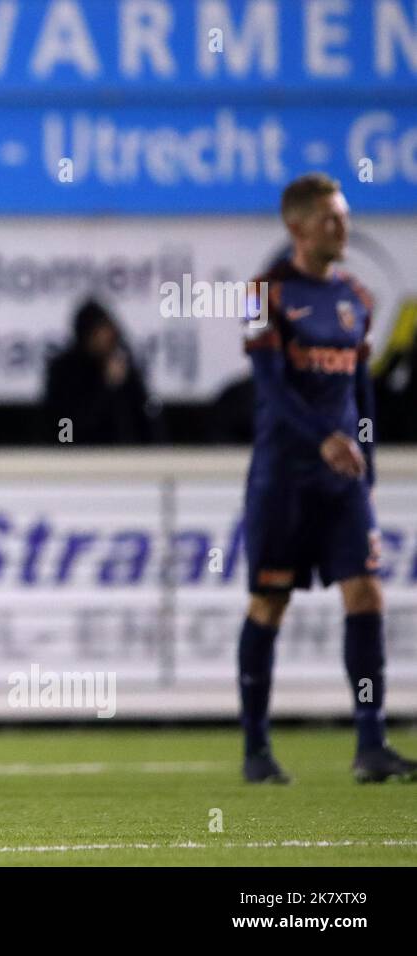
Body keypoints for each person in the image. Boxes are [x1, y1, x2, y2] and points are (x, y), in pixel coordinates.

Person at [238, 172, 415, 784]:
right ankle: (256, 751)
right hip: (284, 478)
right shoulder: (265, 294)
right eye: (331, 219)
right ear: (297, 226)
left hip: (342, 481)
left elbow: (360, 390)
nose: (344, 228)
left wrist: (367, 455)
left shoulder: (357, 298)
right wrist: (323, 438)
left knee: (366, 592)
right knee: (270, 601)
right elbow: (272, 390)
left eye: (344, 217)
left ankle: (371, 743)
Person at [42, 299, 160, 444]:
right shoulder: (64, 371)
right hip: (77, 453)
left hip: (122, 455)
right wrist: (106, 387)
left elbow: (144, 418)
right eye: (98, 334)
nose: (104, 340)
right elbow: (68, 426)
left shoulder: (121, 366)